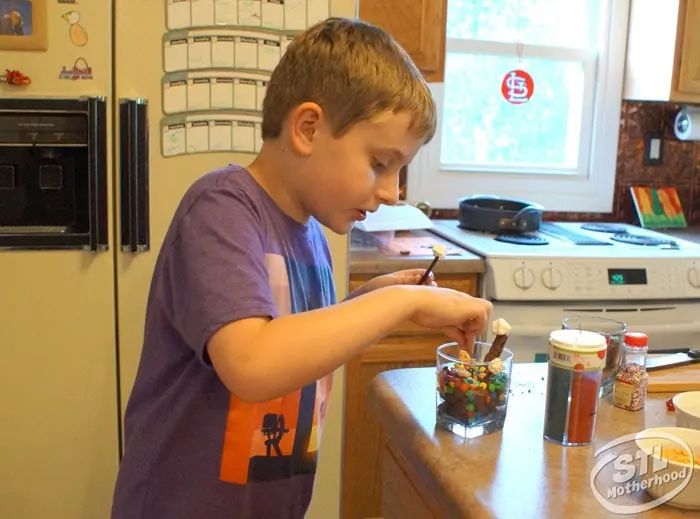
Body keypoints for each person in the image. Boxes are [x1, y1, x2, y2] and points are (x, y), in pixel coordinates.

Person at [110, 17, 493, 519]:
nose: (391, 192)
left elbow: (292, 337)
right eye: (380, 162)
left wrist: (374, 300)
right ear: (308, 128)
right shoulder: (221, 208)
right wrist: (402, 300)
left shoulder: (310, 230)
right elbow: (253, 362)